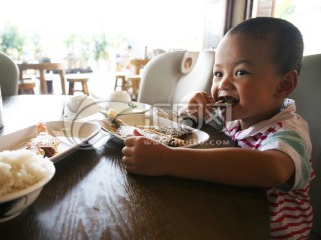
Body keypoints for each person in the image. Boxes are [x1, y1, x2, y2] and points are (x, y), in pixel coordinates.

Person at [121, 17, 314, 239]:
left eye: (240, 72)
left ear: (284, 84)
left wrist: (169, 160)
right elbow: (189, 124)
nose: (223, 84)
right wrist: (190, 105)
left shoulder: (290, 132)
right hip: (229, 216)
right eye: (218, 73)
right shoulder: (230, 116)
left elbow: (272, 170)